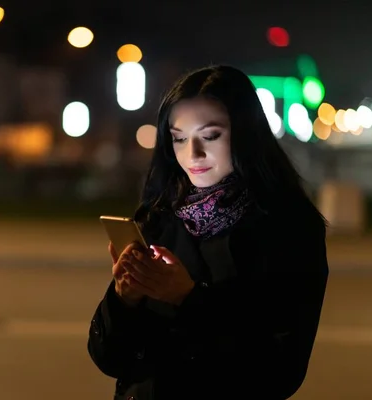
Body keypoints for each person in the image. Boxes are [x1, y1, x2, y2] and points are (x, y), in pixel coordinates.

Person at [87, 65, 329, 399]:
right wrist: (123, 298)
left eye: (211, 136)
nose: (193, 154)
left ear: (246, 133)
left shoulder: (288, 227)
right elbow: (111, 359)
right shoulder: (158, 216)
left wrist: (188, 299)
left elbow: (280, 372)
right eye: (179, 138)